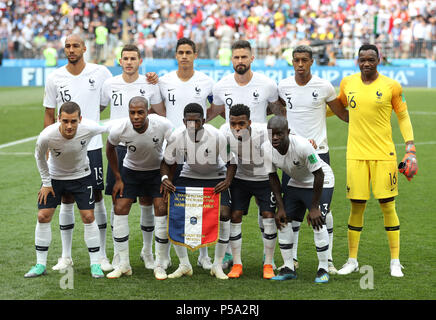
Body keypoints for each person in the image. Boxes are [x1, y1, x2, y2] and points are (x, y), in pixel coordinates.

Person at [336, 44, 417, 278]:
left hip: (384, 155)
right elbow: (337, 107)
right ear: (357, 61)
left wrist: (410, 146)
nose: (366, 63)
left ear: (378, 60)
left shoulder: (391, 86)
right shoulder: (348, 83)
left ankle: (395, 260)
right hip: (356, 155)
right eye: (362, 59)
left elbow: (402, 115)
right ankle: (352, 259)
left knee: (388, 205)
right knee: (356, 206)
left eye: (371, 59)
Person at [208, 39, 285, 270]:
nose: (240, 61)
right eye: (236, 57)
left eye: (244, 57)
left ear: (252, 58)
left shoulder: (268, 84)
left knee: (267, 214)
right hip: (237, 162)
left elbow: (278, 112)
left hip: (264, 157)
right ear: (231, 59)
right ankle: (233, 258)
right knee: (234, 212)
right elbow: (218, 113)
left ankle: (267, 257)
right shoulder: (221, 86)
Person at [43, 34, 113, 272]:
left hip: (91, 147)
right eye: (67, 46)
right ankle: (65, 256)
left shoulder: (100, 72)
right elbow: (49, 114)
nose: (71, 50)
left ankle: (102, 255)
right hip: (62, 148)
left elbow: (106, 101)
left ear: (84, 48)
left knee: (97, 197)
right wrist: (48, 147)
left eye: (75, 46)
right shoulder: (55, 77)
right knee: (65, 198)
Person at [277, 45, 349, 274]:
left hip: (319, 153)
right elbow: (280, 113)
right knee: (292, 211)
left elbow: (343, 114)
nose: (300, 64)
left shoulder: (324, 86)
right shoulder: (283, 86)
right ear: (292, 61)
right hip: (291, 155)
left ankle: (327, 261)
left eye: (304, 60)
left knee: (322, 210)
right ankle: (292, 259)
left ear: (311, 62)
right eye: (296, 60)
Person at [25, 102, 109, 278]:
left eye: (73, 121)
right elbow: (39, 157)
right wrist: (46, 183)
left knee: (88, 217)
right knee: (43, 216)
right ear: (58, 119)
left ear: (80, 119)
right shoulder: (47, 136)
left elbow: (111, 126)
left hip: (82, 177)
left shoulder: (89, 128)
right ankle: (40, 265)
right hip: (55, 179)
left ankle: (95, 264)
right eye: (65, 121)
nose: (69, 126)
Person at [101, 44, 164, 271]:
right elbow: (97, 108)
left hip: (145, 147)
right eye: (125, 58)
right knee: (118, 200)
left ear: (140, 61)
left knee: (147, 201)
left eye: (133, 58)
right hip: (118, 147)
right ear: (120, 61)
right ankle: (119, 255)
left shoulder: (149, 83)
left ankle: (147, 252)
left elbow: (160, 112)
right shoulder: (109, 84)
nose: (128, 62)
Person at [158, 37, 217, 270]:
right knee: (175, 203)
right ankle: (172, 256)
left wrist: (203, 123)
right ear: (176, 55)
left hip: (199, 149)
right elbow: (157, 106)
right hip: (173, 148)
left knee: (203, 203)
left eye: (188, 52)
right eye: (180, 52)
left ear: (195, 55)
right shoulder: (164, 81)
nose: (184, 56)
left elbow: (217, 106)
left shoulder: (206, 81)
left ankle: (204, 255)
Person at [160, 103, 236, 280]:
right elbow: (166, 162)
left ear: (203, 120)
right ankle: (184, 263)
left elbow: (232, 162)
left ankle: (217, 265)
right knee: (174, 212)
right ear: (183, 121)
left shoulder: (217, 136)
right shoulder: (177, 136)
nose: (192, 125)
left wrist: (227, 181)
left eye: (196, 121)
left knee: (225, 214)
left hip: (215, 177)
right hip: (189, 175)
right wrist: (165, 179)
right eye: (189, 121)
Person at [105, 96, 173, 279]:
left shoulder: (162, 125)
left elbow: (174, 148)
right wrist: (118, 178)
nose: (136, 116)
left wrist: (168, 177)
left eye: (140, 112)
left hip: (155, 172)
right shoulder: (120, 128)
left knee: (160, 208)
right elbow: (109, 149)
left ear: (148, 111)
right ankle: (124, 264)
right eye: (132, 112)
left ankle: (159, 264)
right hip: (130, 172)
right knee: (120, 207)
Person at [264, 116, 334, 283]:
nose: (274, 137)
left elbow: (319, 174)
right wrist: (280, 207)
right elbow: (273, 177)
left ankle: (323, 268)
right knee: (283, 220)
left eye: (279, 134)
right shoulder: (266, 148)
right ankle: (288, 267)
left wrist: (314, 207)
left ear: (287, 133)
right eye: (271, 134)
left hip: (321, 180)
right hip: (297, 181)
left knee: (318, 221)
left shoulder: (303, 146)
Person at [219, 104, 277, 279]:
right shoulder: (224, 132)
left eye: (241, 124)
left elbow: (288, 137)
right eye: (233, 124)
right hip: (240, 180)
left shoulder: (263, 132)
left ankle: (268, 263)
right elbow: (225, 157)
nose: (237, 128)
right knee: (235, 216)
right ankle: (237, 264)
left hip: (265, 179)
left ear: (249, 122)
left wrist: (308, 141)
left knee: (268, 216)